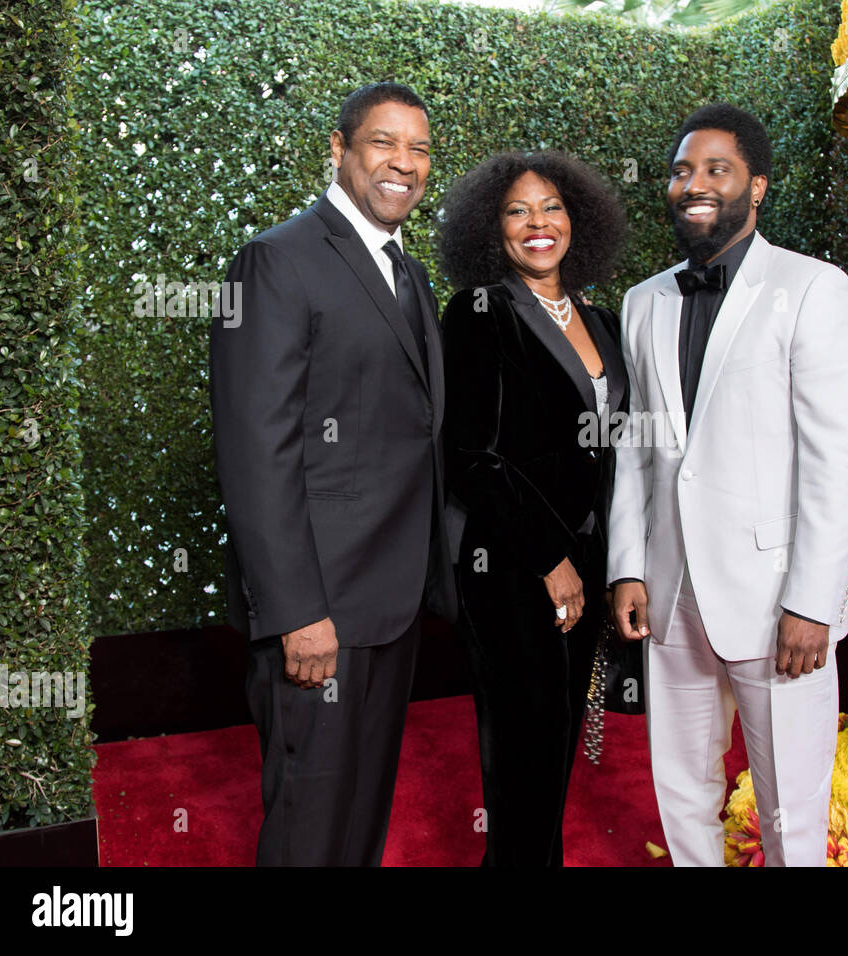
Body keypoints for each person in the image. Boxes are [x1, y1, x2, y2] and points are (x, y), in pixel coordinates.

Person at [607, 103, 848, 866]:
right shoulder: (643, 301)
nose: (695, 184)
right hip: (670, 591)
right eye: (683, 170)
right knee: (682, 789)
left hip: (775, 599)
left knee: (791, 803)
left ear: (756, 187)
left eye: (716, 169)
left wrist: (813, 601)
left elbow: (838, 459)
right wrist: (629, 563)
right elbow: (637, 445)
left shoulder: (814, 289)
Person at [208, 82, 455, 866]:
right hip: (319, 612)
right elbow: (255, 449)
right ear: (339, 149)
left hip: (391, 602)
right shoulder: (277, 260)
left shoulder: (408, 274)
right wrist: (295, 612)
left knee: (361, 813)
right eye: (384, 143)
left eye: (419, 150)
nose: (404, 164)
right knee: (310, 822)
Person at [437, 151, 628, 867]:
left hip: (586, 564)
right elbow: (470, 456)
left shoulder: (600, 318)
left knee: (553, 759)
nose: (537, 223)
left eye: (551, 206)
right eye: (517, 211)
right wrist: (551, 560)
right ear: (494, 229)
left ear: (579, 218)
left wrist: (607, 563)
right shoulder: (481, 312)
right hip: (513, 572)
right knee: (521, 765)